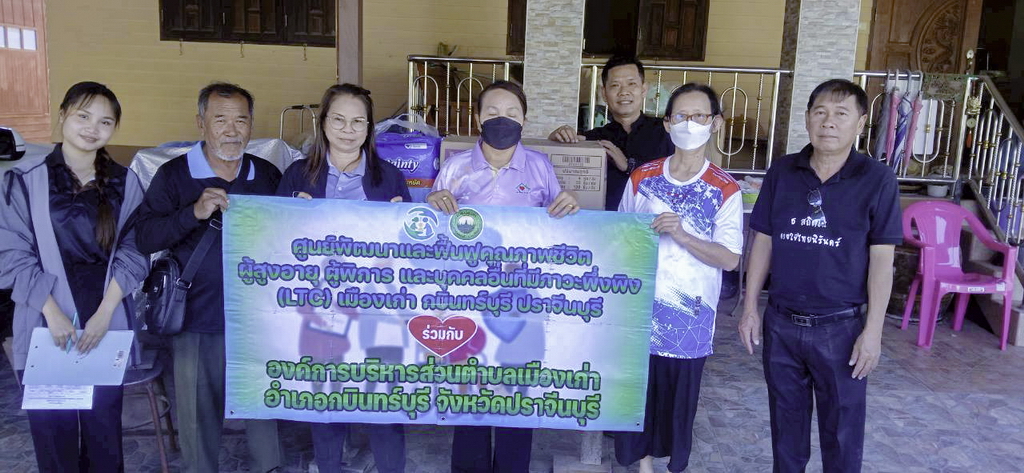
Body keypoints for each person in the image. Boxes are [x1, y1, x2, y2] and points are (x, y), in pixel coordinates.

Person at [738, 79, 902, 472]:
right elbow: (763, 240)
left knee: (842, 437)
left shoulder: (878, 179)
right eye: (820, 112)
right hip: (782, 324)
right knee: (786, 433)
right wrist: (750, 308)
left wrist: (873, 332)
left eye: (841, 114)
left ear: (860, 123)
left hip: (842, 329)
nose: (829, 122)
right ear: (808, 118)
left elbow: (882, 261)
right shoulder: (783, 171)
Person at [426, 80, 579, 473]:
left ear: (524, 120)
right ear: (478, 118)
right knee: (469, 392)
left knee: (516, 393)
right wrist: (431, 201)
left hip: (520, 302)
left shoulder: (540, 167)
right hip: (466, 301)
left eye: (512, 113)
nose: (502, 119)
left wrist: (569, 204)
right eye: (492, 112)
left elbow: (557, 229)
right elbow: (432, 230)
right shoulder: (455, 167)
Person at [0, 81, 149, 472]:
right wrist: (52, 313)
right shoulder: (24, 179)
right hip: (45, 325)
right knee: (55, 440)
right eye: (83, 116)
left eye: (105, 121)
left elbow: (136, 251)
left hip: (105, 323)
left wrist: (106, 312)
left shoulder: (125, 182)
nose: (92, 128)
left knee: (104, 441)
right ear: (63, 114)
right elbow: (11, 253)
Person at [135, 82, 282, 473]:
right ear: (201, 123)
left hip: (257, 318)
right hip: (196, 317)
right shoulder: (174, 176)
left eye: (240, 120)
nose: (231, 131)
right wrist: (193, 214)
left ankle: (269, 468)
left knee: (263, 406)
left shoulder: (266, 175)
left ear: (251, 125)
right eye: (220, 120)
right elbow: (145, 236)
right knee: (197, 416)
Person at [276, 83, 410, 473]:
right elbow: (273, 242)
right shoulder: (298, 175)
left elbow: (410, 249)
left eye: (358, 122)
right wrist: (292, 219)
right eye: (338, 119)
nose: (348, 130)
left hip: (377, 309)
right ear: (323, 123)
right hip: (320, 308)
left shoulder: (389, 179)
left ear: (369, 127)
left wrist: (402, 222)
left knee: (384, 403)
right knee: (326, 403)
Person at [615, 83, 743, 473]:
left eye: (699, 116)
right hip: (640, 311)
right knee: (640, 394)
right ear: (668, 124)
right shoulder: (642, 178)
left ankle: (670, 462)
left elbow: (730, 258)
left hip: (690, 319)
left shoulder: (724, 188)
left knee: (676, 400)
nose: (690, 124)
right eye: (681, 116)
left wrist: (684, 235)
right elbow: (619, 236)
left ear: (715, 123)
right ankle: (643, 464)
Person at [548, 55, 674, 211]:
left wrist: (630, 165)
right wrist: (555, 140)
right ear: (604, 93)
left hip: (653, 222)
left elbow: (681, 177)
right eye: (615, 85)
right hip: (604, 222)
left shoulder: (667, 131)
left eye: (631, 84)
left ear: (643, 89)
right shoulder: (593, 140)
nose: (624, 92)